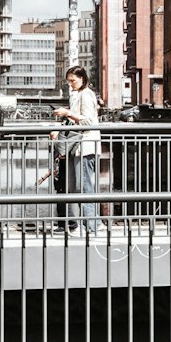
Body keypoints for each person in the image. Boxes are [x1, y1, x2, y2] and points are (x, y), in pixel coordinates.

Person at [53, 65, 103, 234]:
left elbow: (88, 122)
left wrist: (67, 113)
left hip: (85, 145)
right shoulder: (78, 95)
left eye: (73, 80)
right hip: (79, 146)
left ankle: (91, 225)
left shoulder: (86, 95)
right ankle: (88, 223)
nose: (70, 84)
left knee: (84, 186)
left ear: (82, 79)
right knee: (80, 185)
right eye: (69, 81)